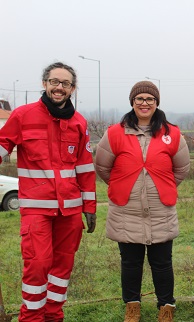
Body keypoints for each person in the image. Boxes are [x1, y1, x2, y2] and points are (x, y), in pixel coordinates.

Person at [0, 62, 97, 321]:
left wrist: (89, 207)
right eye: (55, 81)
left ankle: (54, 315)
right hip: (36, 209)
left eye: (65, 83)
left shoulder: (78, 122)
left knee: (62, 268)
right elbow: (3, 143)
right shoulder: (23, 115)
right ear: (44, 84)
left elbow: (85, 168)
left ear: (72, 89)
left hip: (70, 210)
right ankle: (31, 317)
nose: (59, 87)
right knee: (38, 264)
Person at [94, 80, 190, 322]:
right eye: (140, 99)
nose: (144, 103)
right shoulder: (114, 133)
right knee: (130, 263)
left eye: (150, 99)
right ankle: (132, 306)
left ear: (157, 103)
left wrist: (159, 186)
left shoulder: (172, 133)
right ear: (132, 102)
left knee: (162, 263)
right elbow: (103, 168)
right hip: (126, 211)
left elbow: (181, 170)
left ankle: (166, 306)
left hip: (161, 211)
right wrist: (126, 185)